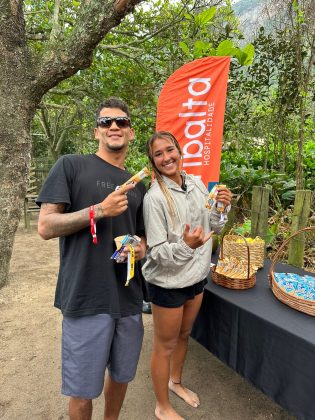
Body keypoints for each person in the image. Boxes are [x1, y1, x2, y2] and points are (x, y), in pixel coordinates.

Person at [37, 97, 147, 420]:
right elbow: (45, 226)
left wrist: (140, 248)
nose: (114, 126)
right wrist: (100, 210)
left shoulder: (137, 186)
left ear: (131, 133)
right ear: (95, 132)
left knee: (123, 375)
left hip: (128, 298)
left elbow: (141, 237)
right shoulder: (71, 166)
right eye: (106, 122)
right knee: (83, 389)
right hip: (86, 296)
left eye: (121, 122)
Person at [142, 131, 232, 420]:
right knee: (164, 345)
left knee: (184, 334)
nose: (167, 157)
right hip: (167, 283)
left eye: (170, 150)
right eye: (159, 154)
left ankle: (175, 382)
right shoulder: (154, 198)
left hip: (196, 277)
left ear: (180, 152)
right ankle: (162, 405)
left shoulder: (195, 183)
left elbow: (213, 227)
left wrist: (222, 207)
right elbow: (154, 252)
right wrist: (185, 246)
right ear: (153, 162)